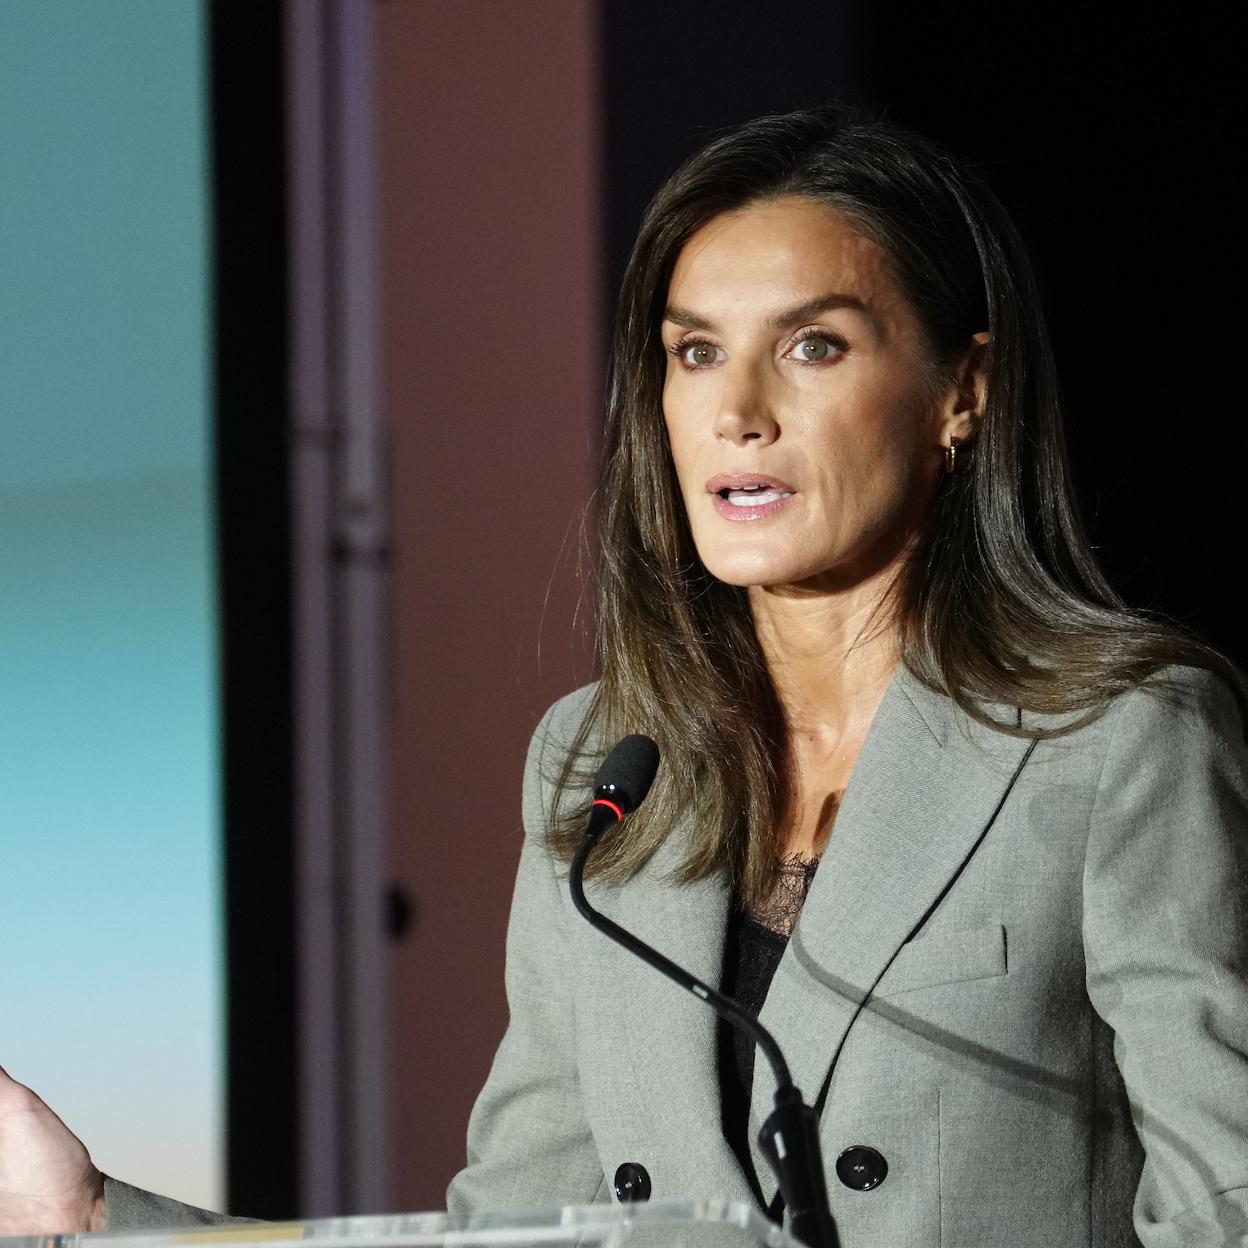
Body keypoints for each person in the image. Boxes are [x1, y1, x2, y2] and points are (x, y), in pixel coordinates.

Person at [3, 108, 1246, 1247]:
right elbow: (512, 1230)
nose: (738, 411)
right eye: (695, 353)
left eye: (813, 346)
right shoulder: (601, 764)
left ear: (960, 394)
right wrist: (100, 1219)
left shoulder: (1120, 741)